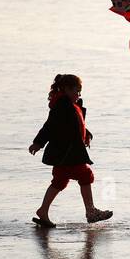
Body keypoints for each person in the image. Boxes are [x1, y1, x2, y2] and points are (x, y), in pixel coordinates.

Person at [28, 74, 113, 228]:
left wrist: (86, 133)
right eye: (76, 91)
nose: (79, 94)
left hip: (64, 154)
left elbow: (75, 124)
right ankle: (91, 211)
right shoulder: (62, 106)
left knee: (59, 181)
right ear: (66, 89)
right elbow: (50, 126)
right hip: (67, 152)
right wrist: (38, 143)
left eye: (80, 91)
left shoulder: (70, 105)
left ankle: (43, 210)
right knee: (86, 176)